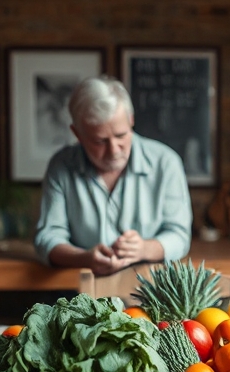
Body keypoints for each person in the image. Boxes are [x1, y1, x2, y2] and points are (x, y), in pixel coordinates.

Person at [34, 76, 192, 275]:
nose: (114, 150)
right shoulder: (61, 166)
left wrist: (144, 249)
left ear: (131, 120)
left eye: (121, 136)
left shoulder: (166, 163)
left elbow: (179, 236)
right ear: (77, 133)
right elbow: (47, 238)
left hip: (148, 292)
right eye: (99, 141)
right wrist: (84, 258)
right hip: (79, 293)